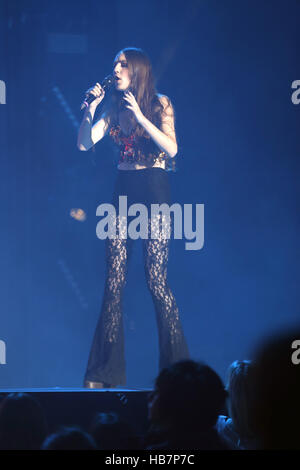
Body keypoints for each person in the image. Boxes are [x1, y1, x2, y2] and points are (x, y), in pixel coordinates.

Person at [77, 47, 189, 388]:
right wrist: (88, 111)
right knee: (114, 281)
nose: (116, 68)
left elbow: (172, 149)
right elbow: (84, 144)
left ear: (137, 70)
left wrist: (141, 118)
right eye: (114, 63)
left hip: (153, 188)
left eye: (123, 63)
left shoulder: (159, 103)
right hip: (122, 188)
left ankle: (178, 372)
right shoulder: (111, 110)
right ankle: (104, 372)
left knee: (156, 280)